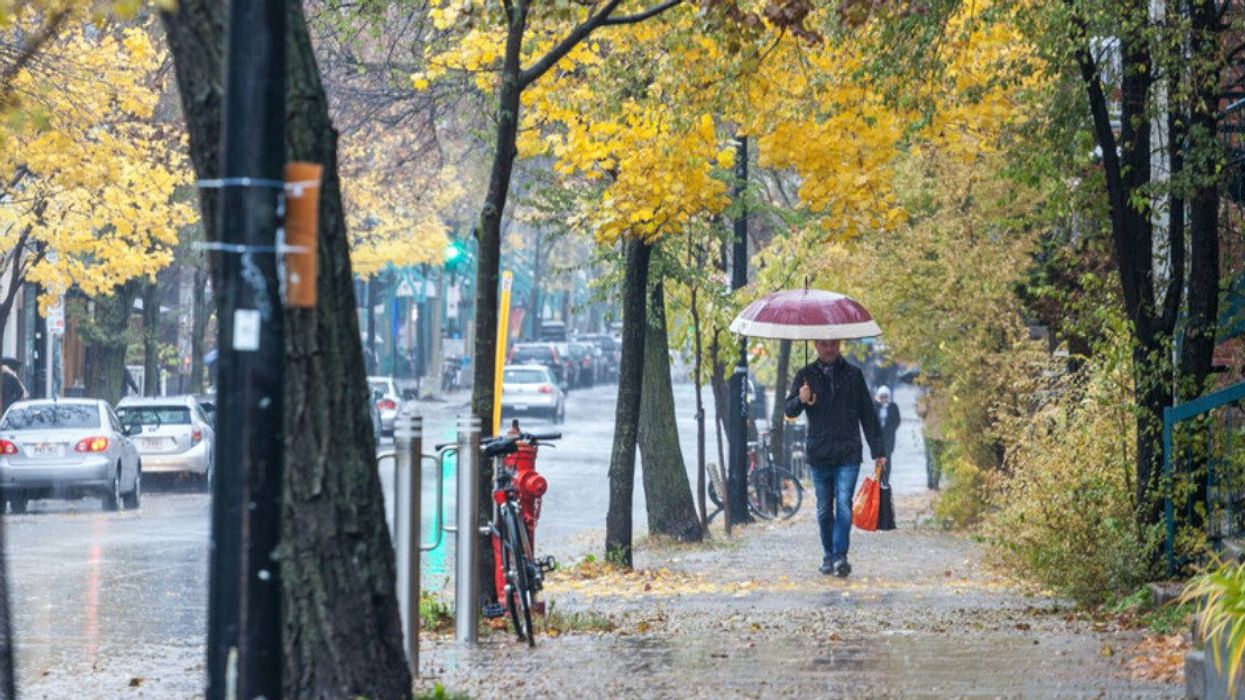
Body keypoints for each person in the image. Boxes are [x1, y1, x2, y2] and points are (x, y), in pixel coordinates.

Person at [784, 338, 885, 578]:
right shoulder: (805, 375)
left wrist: (878, 450)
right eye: (824, 344)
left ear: (839, 344)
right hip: (819, 453)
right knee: (823, 509)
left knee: (843, 504)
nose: (829, 348)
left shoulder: (853, 375)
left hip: (847, 452)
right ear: (816, 345)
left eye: (833, 344)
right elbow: (789, 411)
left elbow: (867, 414)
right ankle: (828, 556)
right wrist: (801, 398)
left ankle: (841, 556)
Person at [915, 389, 946, 490]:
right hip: (930, 433)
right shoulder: (926, 398)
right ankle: (931, 481)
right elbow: (920, 412)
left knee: (936, 458)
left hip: (941, 433)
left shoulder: (946, 398)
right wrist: (924, 402)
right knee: (930, 458)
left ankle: (935, 481)